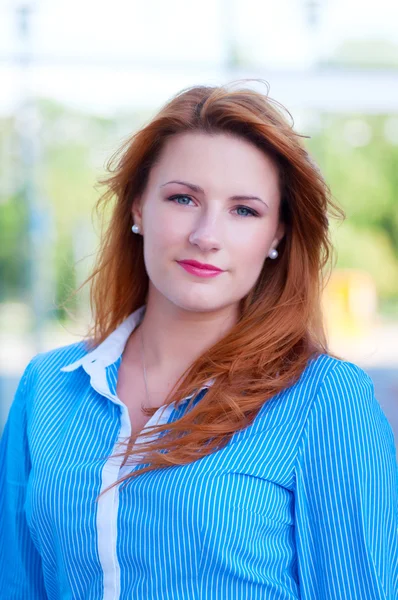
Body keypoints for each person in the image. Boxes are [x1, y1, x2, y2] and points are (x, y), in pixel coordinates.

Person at [1, 81, 397, 600]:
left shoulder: (325, 400)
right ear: (139, 207)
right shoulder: (47, 390)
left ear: (276, 234)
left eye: (244, 210)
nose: (206, 235)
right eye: (183, 198)